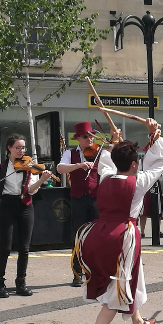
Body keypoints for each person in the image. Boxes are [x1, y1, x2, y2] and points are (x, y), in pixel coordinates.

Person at [73, 118, 163, 324]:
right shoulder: (138, 182)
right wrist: (154, 134)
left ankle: (137, 321)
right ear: (135, 164)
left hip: (98, 233)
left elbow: (106, 160)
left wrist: (115, 143)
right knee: (117, 291)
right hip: (122, 238)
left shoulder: (105, 176)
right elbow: (160, 163)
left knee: (131, 277)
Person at [0, 135, 53, 298]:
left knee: (24, 248)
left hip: (25, 206)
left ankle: (21, 283)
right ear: (9, 148)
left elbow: (31, 190)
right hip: (7, 206)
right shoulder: (2, 167)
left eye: (23, 148)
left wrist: (42, 179)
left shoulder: (31, 166)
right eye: (18, 147)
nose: (21, 151)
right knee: (6, 248)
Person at [57, 122, 101, 287]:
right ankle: (78, 273)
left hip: (95, 198)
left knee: (96, 236)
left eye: (91, 136)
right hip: (78, 198)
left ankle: (96, 272)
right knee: (79, 235)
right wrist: (79, 165)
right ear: (78, 139)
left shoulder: (99, 152)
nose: (89, 139)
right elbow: (60, 168)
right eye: (85, 136)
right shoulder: (70, 153)